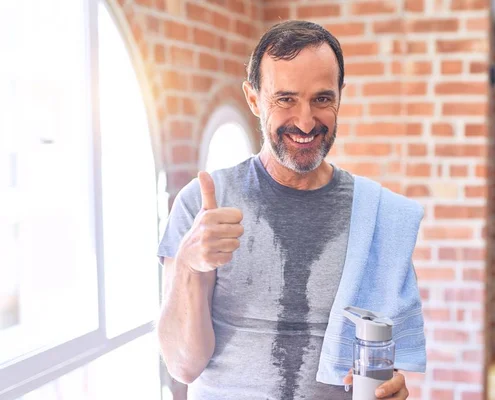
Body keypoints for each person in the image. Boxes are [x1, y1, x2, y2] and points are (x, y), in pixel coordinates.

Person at [156, 20, 425, 400]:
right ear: (253, 99)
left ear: (340, 97)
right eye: (285, 99)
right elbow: (184, 365)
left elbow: (378, 362)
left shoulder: (376, 217)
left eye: (322, 98)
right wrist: (187, 264)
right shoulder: (203, 205)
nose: (305, 121)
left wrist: (390, 387)